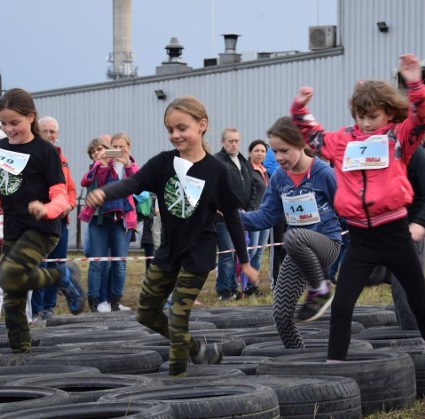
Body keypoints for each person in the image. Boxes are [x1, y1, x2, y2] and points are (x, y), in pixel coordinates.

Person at [85, 96, 258, 377]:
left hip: (198, 252)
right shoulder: (163, 163)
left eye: (181, 128)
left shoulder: (217, 171)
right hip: (168, 250)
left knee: (178, 316)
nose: (175, 135)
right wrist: (105, 192)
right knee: (146, 312)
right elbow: (132, 182)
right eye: (170, 129)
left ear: (202, 126)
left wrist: (245, 261)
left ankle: (177, 378)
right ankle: (198, 351)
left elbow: (234, 218)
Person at [291, 53, 425, 361]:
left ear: (387, 114)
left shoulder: (397, 138)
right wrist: (300, 108)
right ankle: (336, 362)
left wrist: (414, 85)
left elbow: (421, 118)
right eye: (360, 115)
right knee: (343, 304)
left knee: (419, 300)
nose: (365, 122)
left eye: (372, 116)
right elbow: (312, 133)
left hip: (395, 235)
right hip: (360, 239)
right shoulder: (341, 141)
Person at [0, 88, 79, 354]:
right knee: (12, 295)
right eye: (3, 123)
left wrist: (47, 209)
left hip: (42, 230)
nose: (9, 129)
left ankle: (60, 274)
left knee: (10, 277)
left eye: (15, 122)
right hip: (13, 231)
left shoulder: (46, 152)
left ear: (31, 117)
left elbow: (61, 195)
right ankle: (20, 350)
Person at [241, 117, 342, 348]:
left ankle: (321, 289)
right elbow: (265, 216)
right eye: (274, 151)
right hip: (298, 251)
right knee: (281, 314)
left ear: (300, 144)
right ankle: (296, 357)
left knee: (293, 236)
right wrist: (231, 217)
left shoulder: (324, 173)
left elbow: (347, 210)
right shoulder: (278, 178)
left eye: (284, 151)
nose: (278, 158)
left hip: (326, 244)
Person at [367, 146, 425, 330]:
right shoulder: (367, 149)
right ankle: (389, 272)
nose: (366, 124)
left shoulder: (414, 152)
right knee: (366, 275)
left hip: (409, 230)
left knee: (405, 294)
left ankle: (413, 340)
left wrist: (420, 223)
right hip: (380, 230)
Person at [31, 116, 84, 320]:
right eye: (46, 131)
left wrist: (69, 205)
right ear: (38, 132)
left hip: (60, 220)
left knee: (56, 264)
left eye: (53, 131)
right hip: (41, 219)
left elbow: (70, 188)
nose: (50, 135)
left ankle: (48, 307)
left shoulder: (62, 158)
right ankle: (36, 309)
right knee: (40, 265)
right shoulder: (34, 155)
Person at [79, 133, 138, 312]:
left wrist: (127, 165)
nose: (119, 150)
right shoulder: (103, 163)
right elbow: (97, 183)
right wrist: (103, 165)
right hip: (101, 219)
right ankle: (95, 303)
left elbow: (138, 184)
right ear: (110, 147)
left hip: (122, 221)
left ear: (128, 147)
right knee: (97, 262)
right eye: (115, 146)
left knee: (119, 262)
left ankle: (115, 302)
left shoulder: (132, 165)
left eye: (123, 146)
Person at [213, 128, 259, 301]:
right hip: (223, 216)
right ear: (223, 142)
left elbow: (252, 186)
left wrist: (250, 208)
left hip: (243, 215)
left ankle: (233, 287)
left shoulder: (243, 162)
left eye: (236, 141)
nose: (234, 144)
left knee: (237, 253)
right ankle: (224, 290)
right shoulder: (217, 161)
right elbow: (214, 189)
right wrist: (223, 209)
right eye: (230, 141)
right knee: (226, 253)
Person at [246, 139, 271, 279]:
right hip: (253, 216)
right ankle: (244, 283)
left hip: (265, 216)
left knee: (260, 251)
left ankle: (252, 284)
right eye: (257, 150)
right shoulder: (247, 170)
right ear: (250, 152)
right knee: (252, 251)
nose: (260, 153)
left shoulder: (264, 171)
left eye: (263, 151)